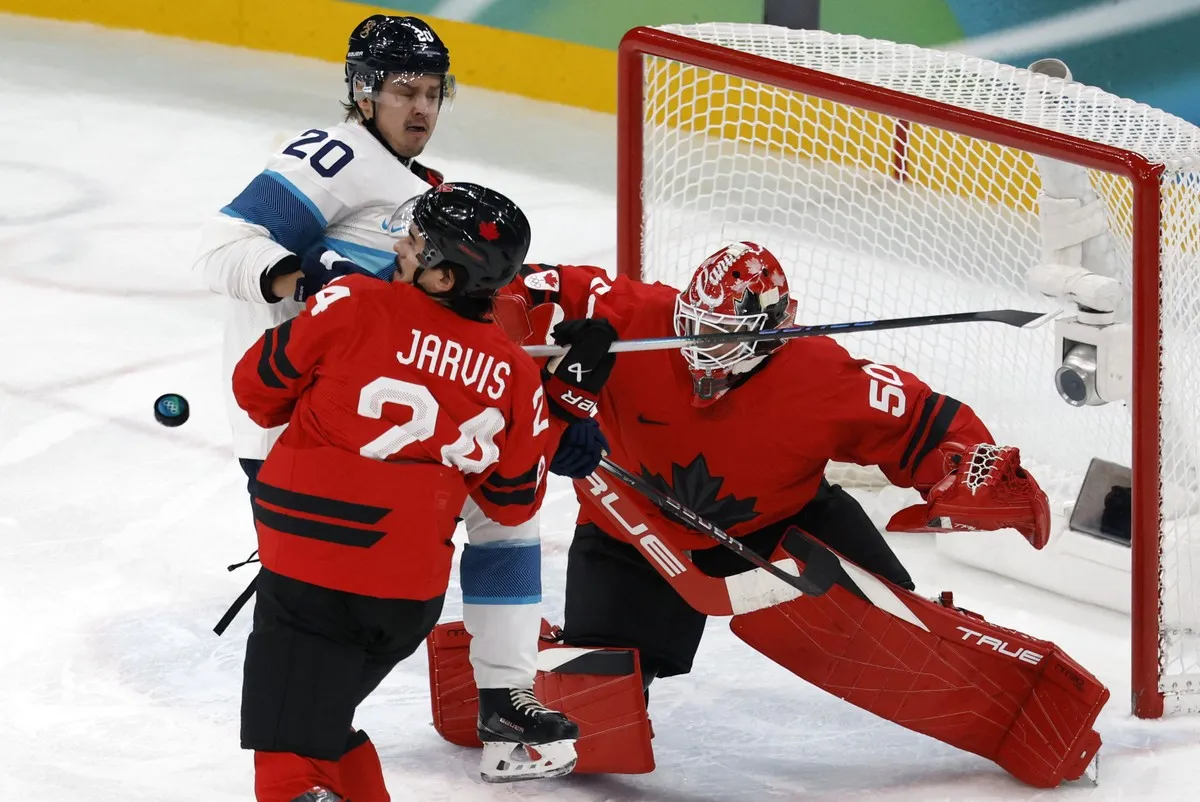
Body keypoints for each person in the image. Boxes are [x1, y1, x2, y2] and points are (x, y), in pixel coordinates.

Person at [430, 241, 1108, 787]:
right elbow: (513, 285)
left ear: (770, 334)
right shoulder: (629, 314)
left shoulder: (820, 374)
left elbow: (927, 427)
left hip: (785, 527)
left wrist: (968, 472)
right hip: (633, 536)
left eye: (722, 336)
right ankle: (504, 668)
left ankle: (991, 676)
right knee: (596, 719)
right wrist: (499, 318)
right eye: (691, 327)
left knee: (905, 637)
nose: (699, 347)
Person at [231, 183, 583, 802]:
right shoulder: (515, 372)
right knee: (320, 726)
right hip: (403, 601)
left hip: (311, 577)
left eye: (415, 242)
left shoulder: (353, 301)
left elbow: (255, 391)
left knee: (289, 762)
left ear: (444, 277)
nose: (399, 244)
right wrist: (552, 413)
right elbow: (511, 503)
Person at [193, 13, 453, 524]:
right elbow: (223, 245)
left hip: (351, 420)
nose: (422, 108)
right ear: (365, 92)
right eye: (405, 92)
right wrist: (313, 280)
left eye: (432, 92)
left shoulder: (405, 178)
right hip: (289, 421)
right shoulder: (340, 156)